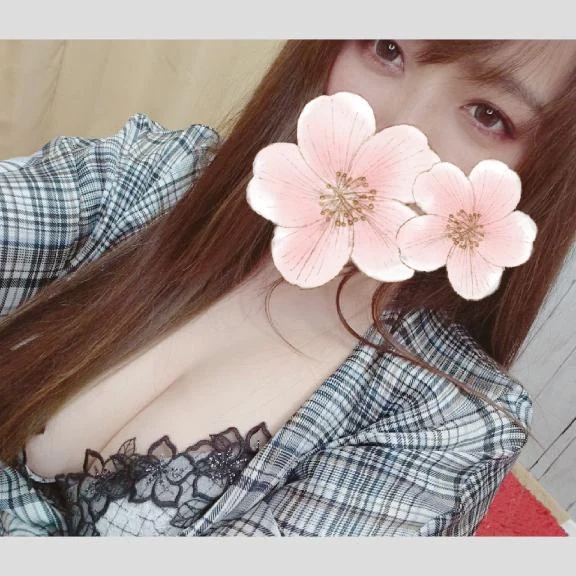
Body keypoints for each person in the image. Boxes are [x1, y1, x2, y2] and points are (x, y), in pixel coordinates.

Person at [0, 40, 575, 537]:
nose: (395, 132)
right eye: (386, 49)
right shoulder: (157, 175)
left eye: (487, 115)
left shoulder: (449, 422)